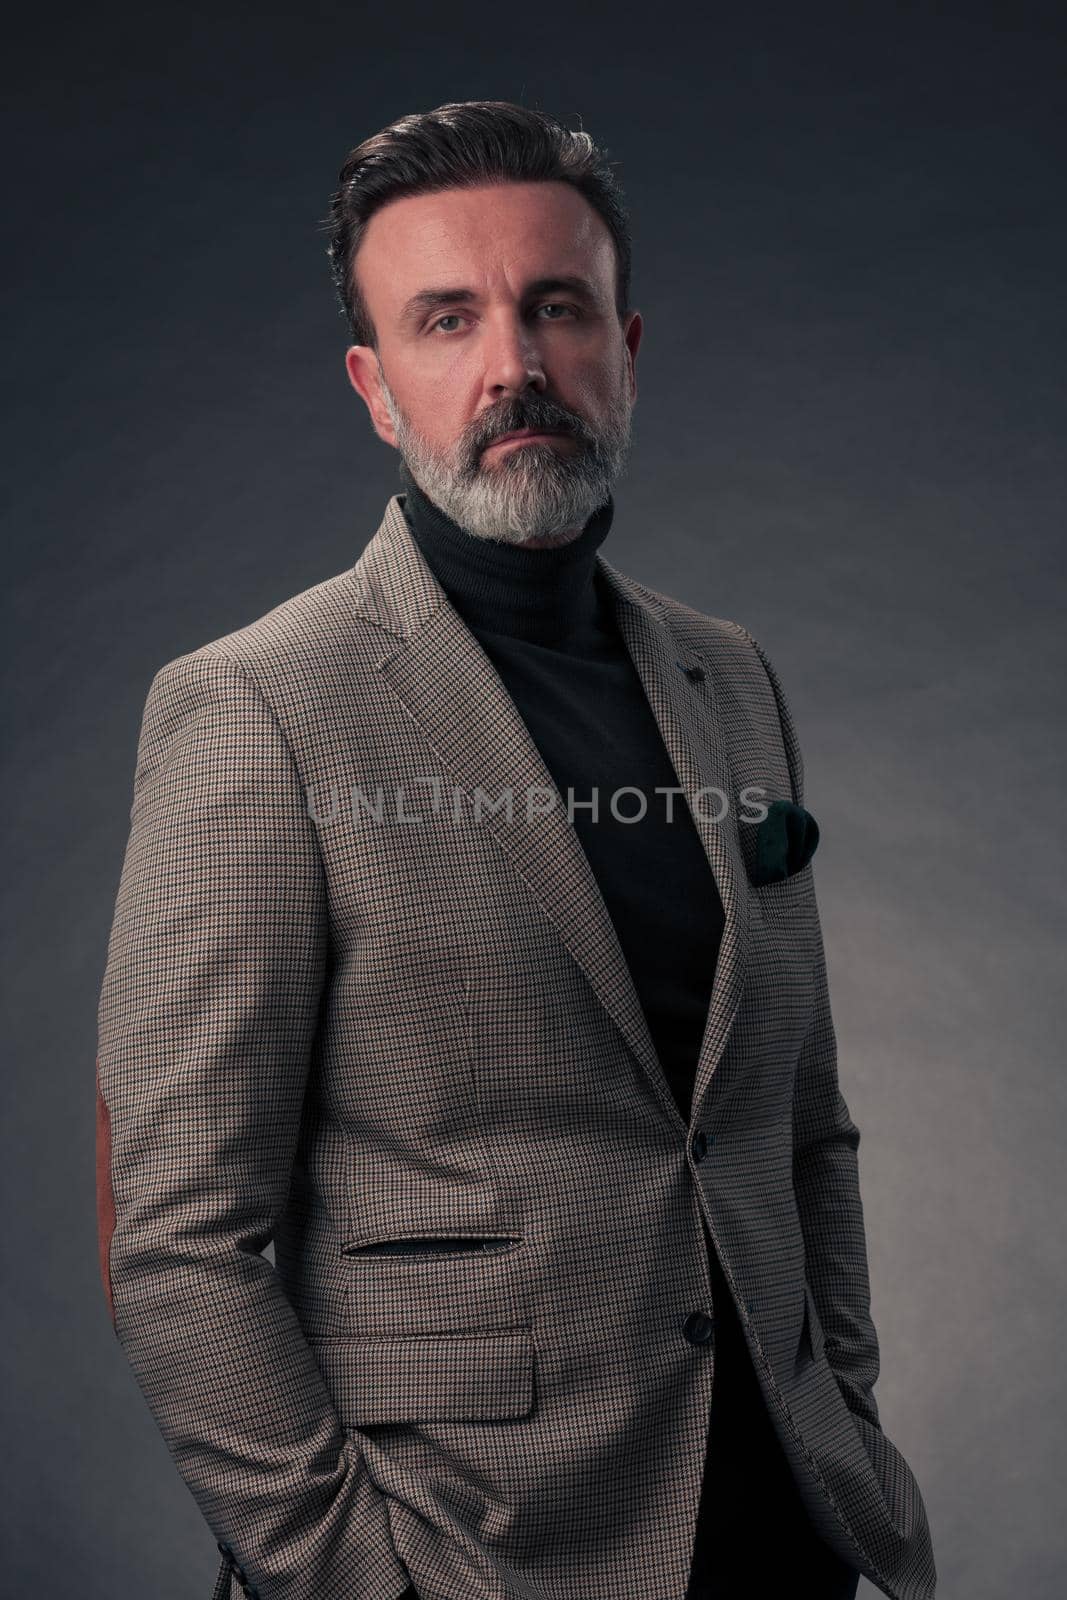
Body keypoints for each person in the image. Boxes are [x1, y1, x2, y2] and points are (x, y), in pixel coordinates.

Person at [96, 100, 936, 1600]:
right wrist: (358, 1578)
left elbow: (800, 1122)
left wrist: (846, 1423)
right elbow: (178, 1244)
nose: (515, 366)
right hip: (472, 1551)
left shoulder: (728, 679)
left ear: (627, 344)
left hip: (777, 1534)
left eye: (557, 308)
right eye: (447, 319)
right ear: (375, 385)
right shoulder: (257, 708)